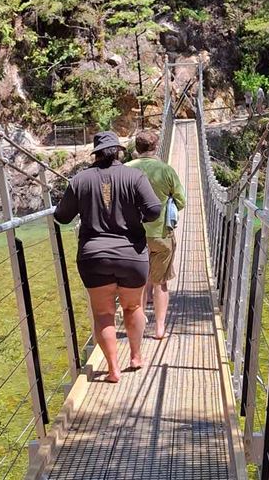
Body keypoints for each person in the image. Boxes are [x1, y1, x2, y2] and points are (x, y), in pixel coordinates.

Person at [54, 131, 162, 383]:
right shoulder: (135, 176)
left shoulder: (80, 180)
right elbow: (155, 209)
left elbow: (62, 217)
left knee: (103, 314)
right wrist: (139, 218)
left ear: (96, 153)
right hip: (131, 255)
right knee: (133, 306)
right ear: (119, 152)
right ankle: (135, 357)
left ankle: (112, 370)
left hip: (94, 256)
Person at [126, 129, 186, 340]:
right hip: (161, 235)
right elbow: (181, 201)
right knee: (160, 283)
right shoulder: (166, 170)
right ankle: (160, 328)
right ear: (156, 147)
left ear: (136, 148)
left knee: (140, 282)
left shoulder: (125, 170)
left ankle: (140, 326)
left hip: (132, 237)